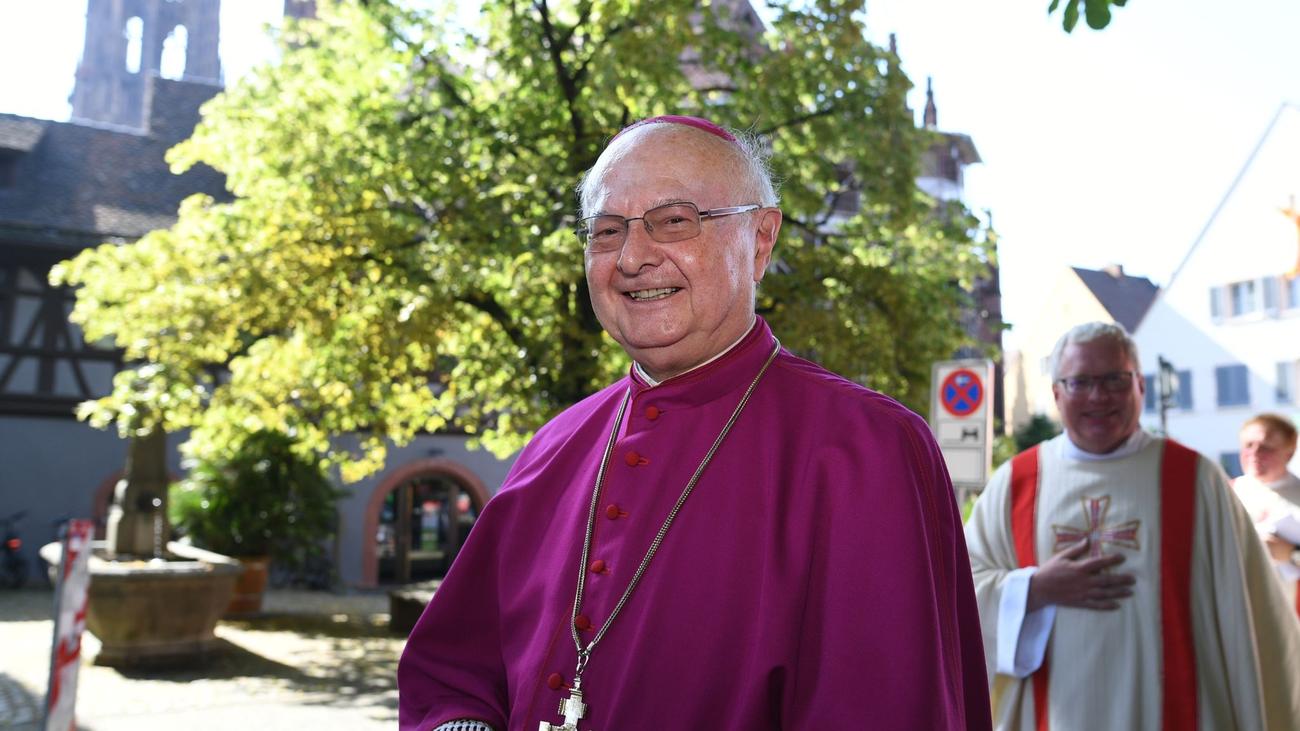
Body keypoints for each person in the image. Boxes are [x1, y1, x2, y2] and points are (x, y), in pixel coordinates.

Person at [397, 115, 991, 730]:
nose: (632, 258)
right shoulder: (554, 445)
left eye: (674, 221)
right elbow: (455, 673)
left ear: (760, 240)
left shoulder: (868, 450)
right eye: (606, 231)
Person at [965, 321, 1300, 730]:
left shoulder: (1195, 480)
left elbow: (1253, 615)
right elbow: (961, 594)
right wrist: (1032, 589)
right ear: (1056, 393)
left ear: (1140, 385)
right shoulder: (1016, 484)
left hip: (1177, 713)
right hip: (1052, 712)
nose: (1098, 396)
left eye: (1115, 379)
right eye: (1080, 382)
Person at [1233, 413, 1300, 613]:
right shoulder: (1229, 493)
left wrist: (1291, 553)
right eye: (1248, 445)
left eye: (1266, 447)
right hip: (1242, 604)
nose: (1254, 453)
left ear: (1289, 452)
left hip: (1290, 609)